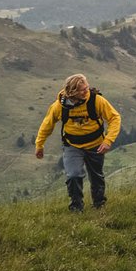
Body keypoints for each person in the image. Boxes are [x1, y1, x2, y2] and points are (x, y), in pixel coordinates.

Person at [34, 73, 120, 212]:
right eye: (82, 90)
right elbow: (47, 125)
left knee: (96, 176)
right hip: (72, 146)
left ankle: (99, 204)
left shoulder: (97, 100)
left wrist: (108, 140)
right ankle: (76, 208)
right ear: (72, 92)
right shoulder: (59, 106)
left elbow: (114, 118)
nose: (86, 91)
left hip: (96, 145)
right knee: (73, 175)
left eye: (86, 87)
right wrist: (39, 145)